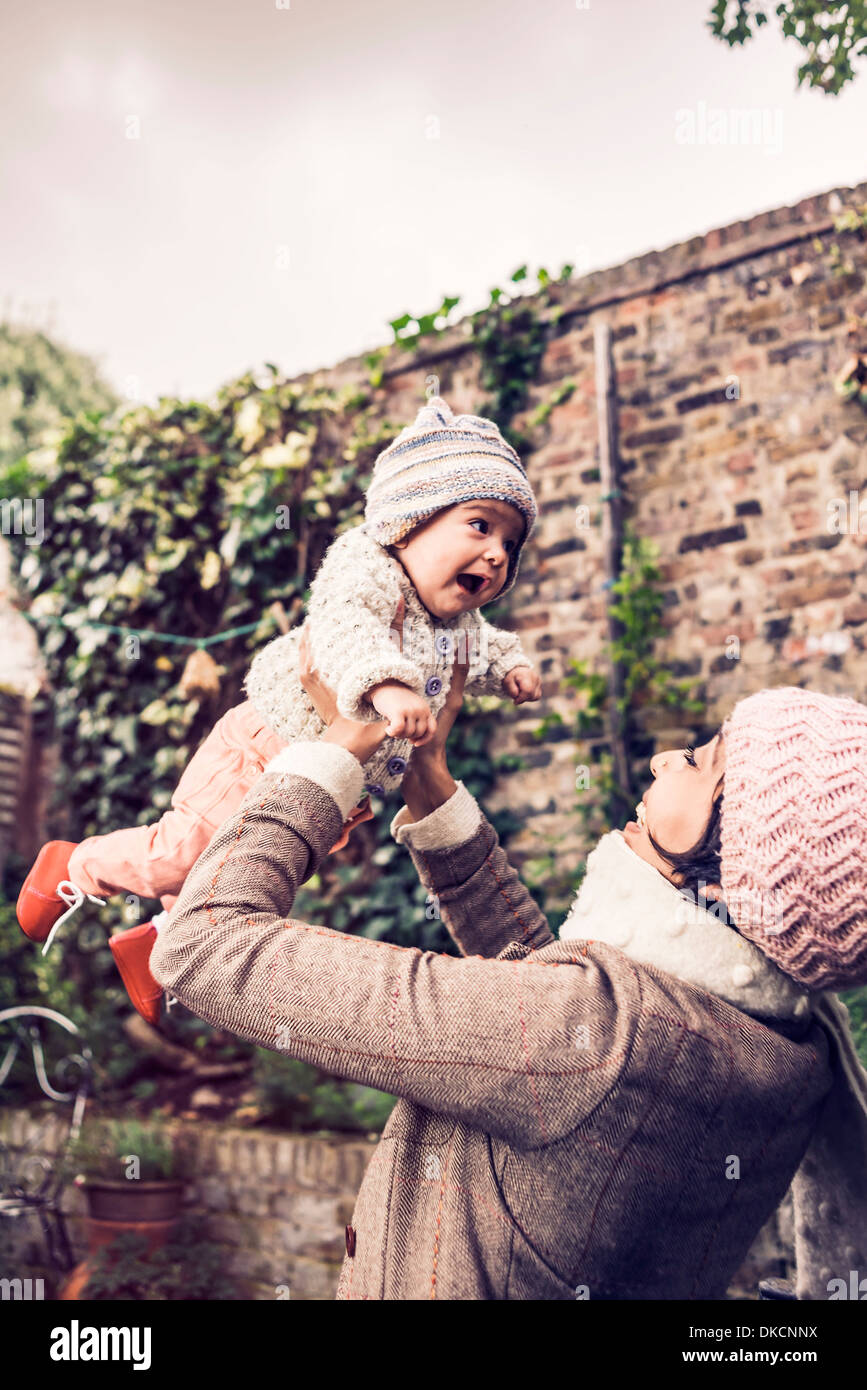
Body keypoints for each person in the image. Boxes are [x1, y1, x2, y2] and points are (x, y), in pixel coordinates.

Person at [148, 632, 867, 1299]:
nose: (662, 761)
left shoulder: (593, 1036)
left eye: (701, 763)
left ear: (733, 869)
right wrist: (429, 785)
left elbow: (205, 944)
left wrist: (329, 756)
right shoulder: (785, 1048)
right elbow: (553, 1026)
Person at [15, 396, 541, 1024]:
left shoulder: (456, 621)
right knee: (183, 852)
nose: (496, 554)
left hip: (333, 781)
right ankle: (76, 864)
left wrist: (508, 666)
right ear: (408, 521)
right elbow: (345, 629)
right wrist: (387, 688)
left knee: (252, 875)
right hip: (267, 743)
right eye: (480, 526)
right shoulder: (368, 569)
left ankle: (156, 941)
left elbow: (482, 646)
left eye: (510, 544)